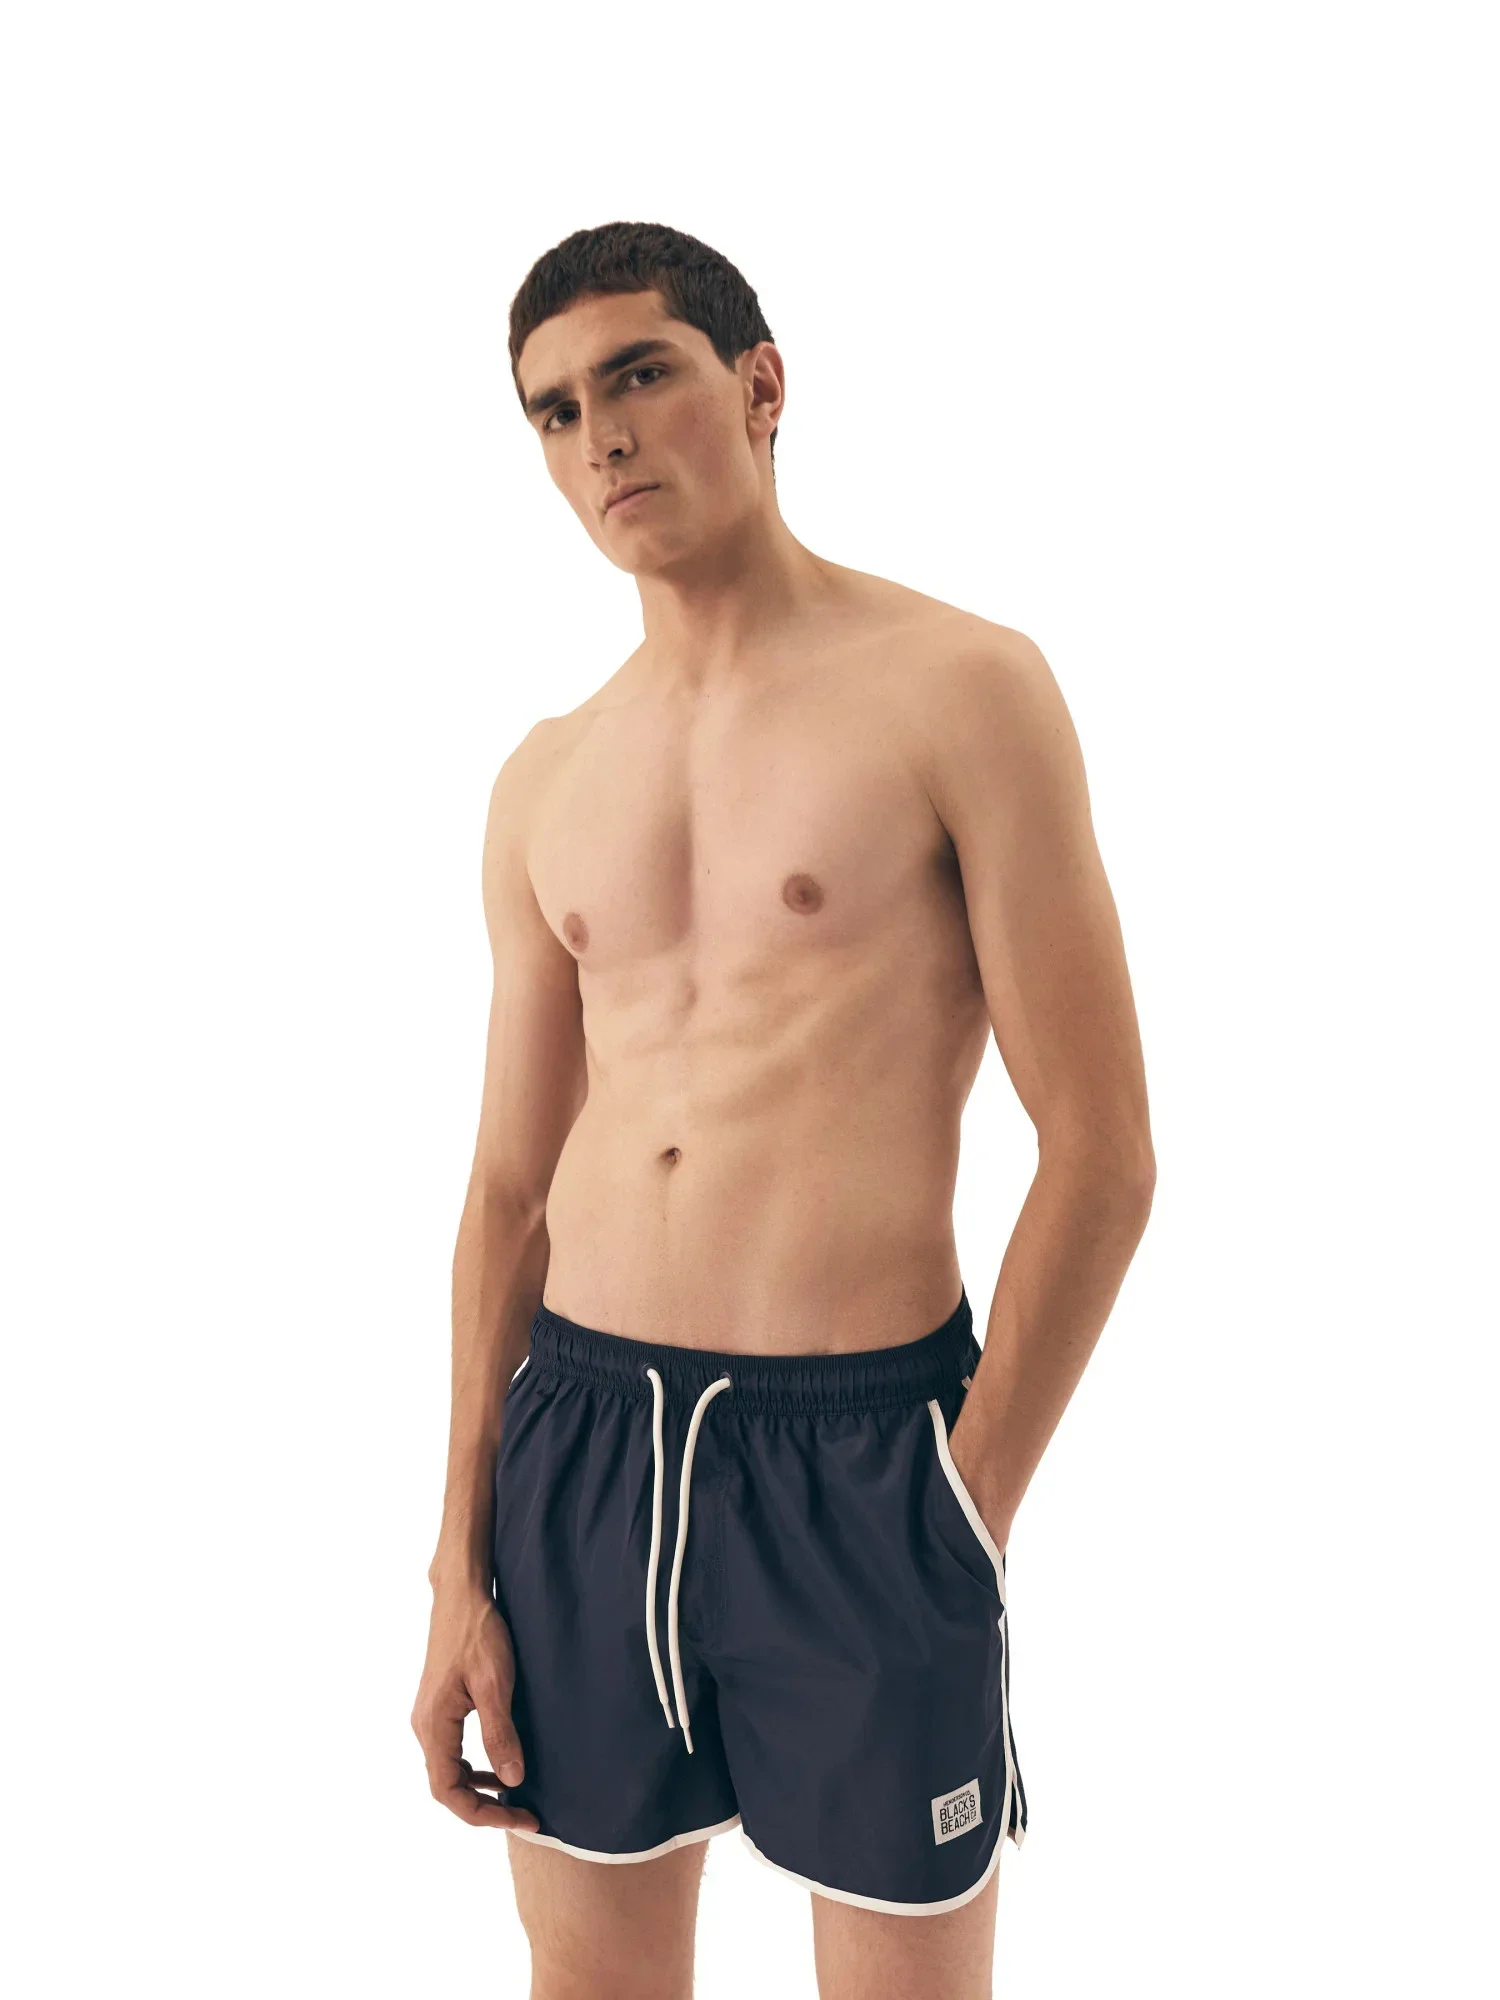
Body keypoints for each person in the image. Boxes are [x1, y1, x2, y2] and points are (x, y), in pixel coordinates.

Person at [411, 220, 1155, 2000]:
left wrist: (966, 1502)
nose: (601, 435)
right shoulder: (545, 776)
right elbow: (509, 1189)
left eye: (640, 374)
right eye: (554, 409)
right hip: (579, 1455)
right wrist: (456, 1559)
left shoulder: (961, 689)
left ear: (759, 386)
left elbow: (1102, 1147)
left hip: (867, 1461)